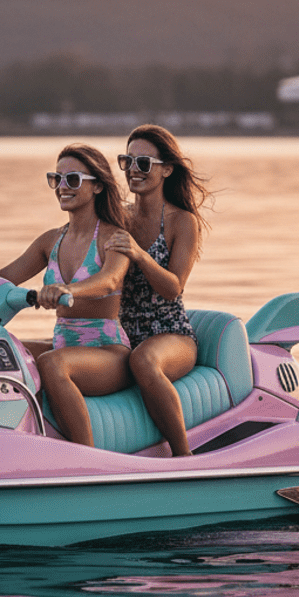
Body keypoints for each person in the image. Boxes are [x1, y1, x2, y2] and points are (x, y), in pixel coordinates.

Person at [0, 144, 132, 448]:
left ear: (97, 186)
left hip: (109, 353)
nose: (62, 187)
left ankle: (88, 457)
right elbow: (5, 276)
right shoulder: (51, 240)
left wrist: (67, 290)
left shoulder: (114, 238)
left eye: (72, 180)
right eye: (55, 179)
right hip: (63, 344)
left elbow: (109, 280)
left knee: (51, 365)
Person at [105, 124, 211, 457]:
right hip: (122, 334)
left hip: (170, 334)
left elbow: (173, 288)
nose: (134, 170)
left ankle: (184, 457)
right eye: (127, 161)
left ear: (166, 169)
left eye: (144, 163)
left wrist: (137, 253)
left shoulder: (183, 221)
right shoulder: (118, 218)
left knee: (145, 360)